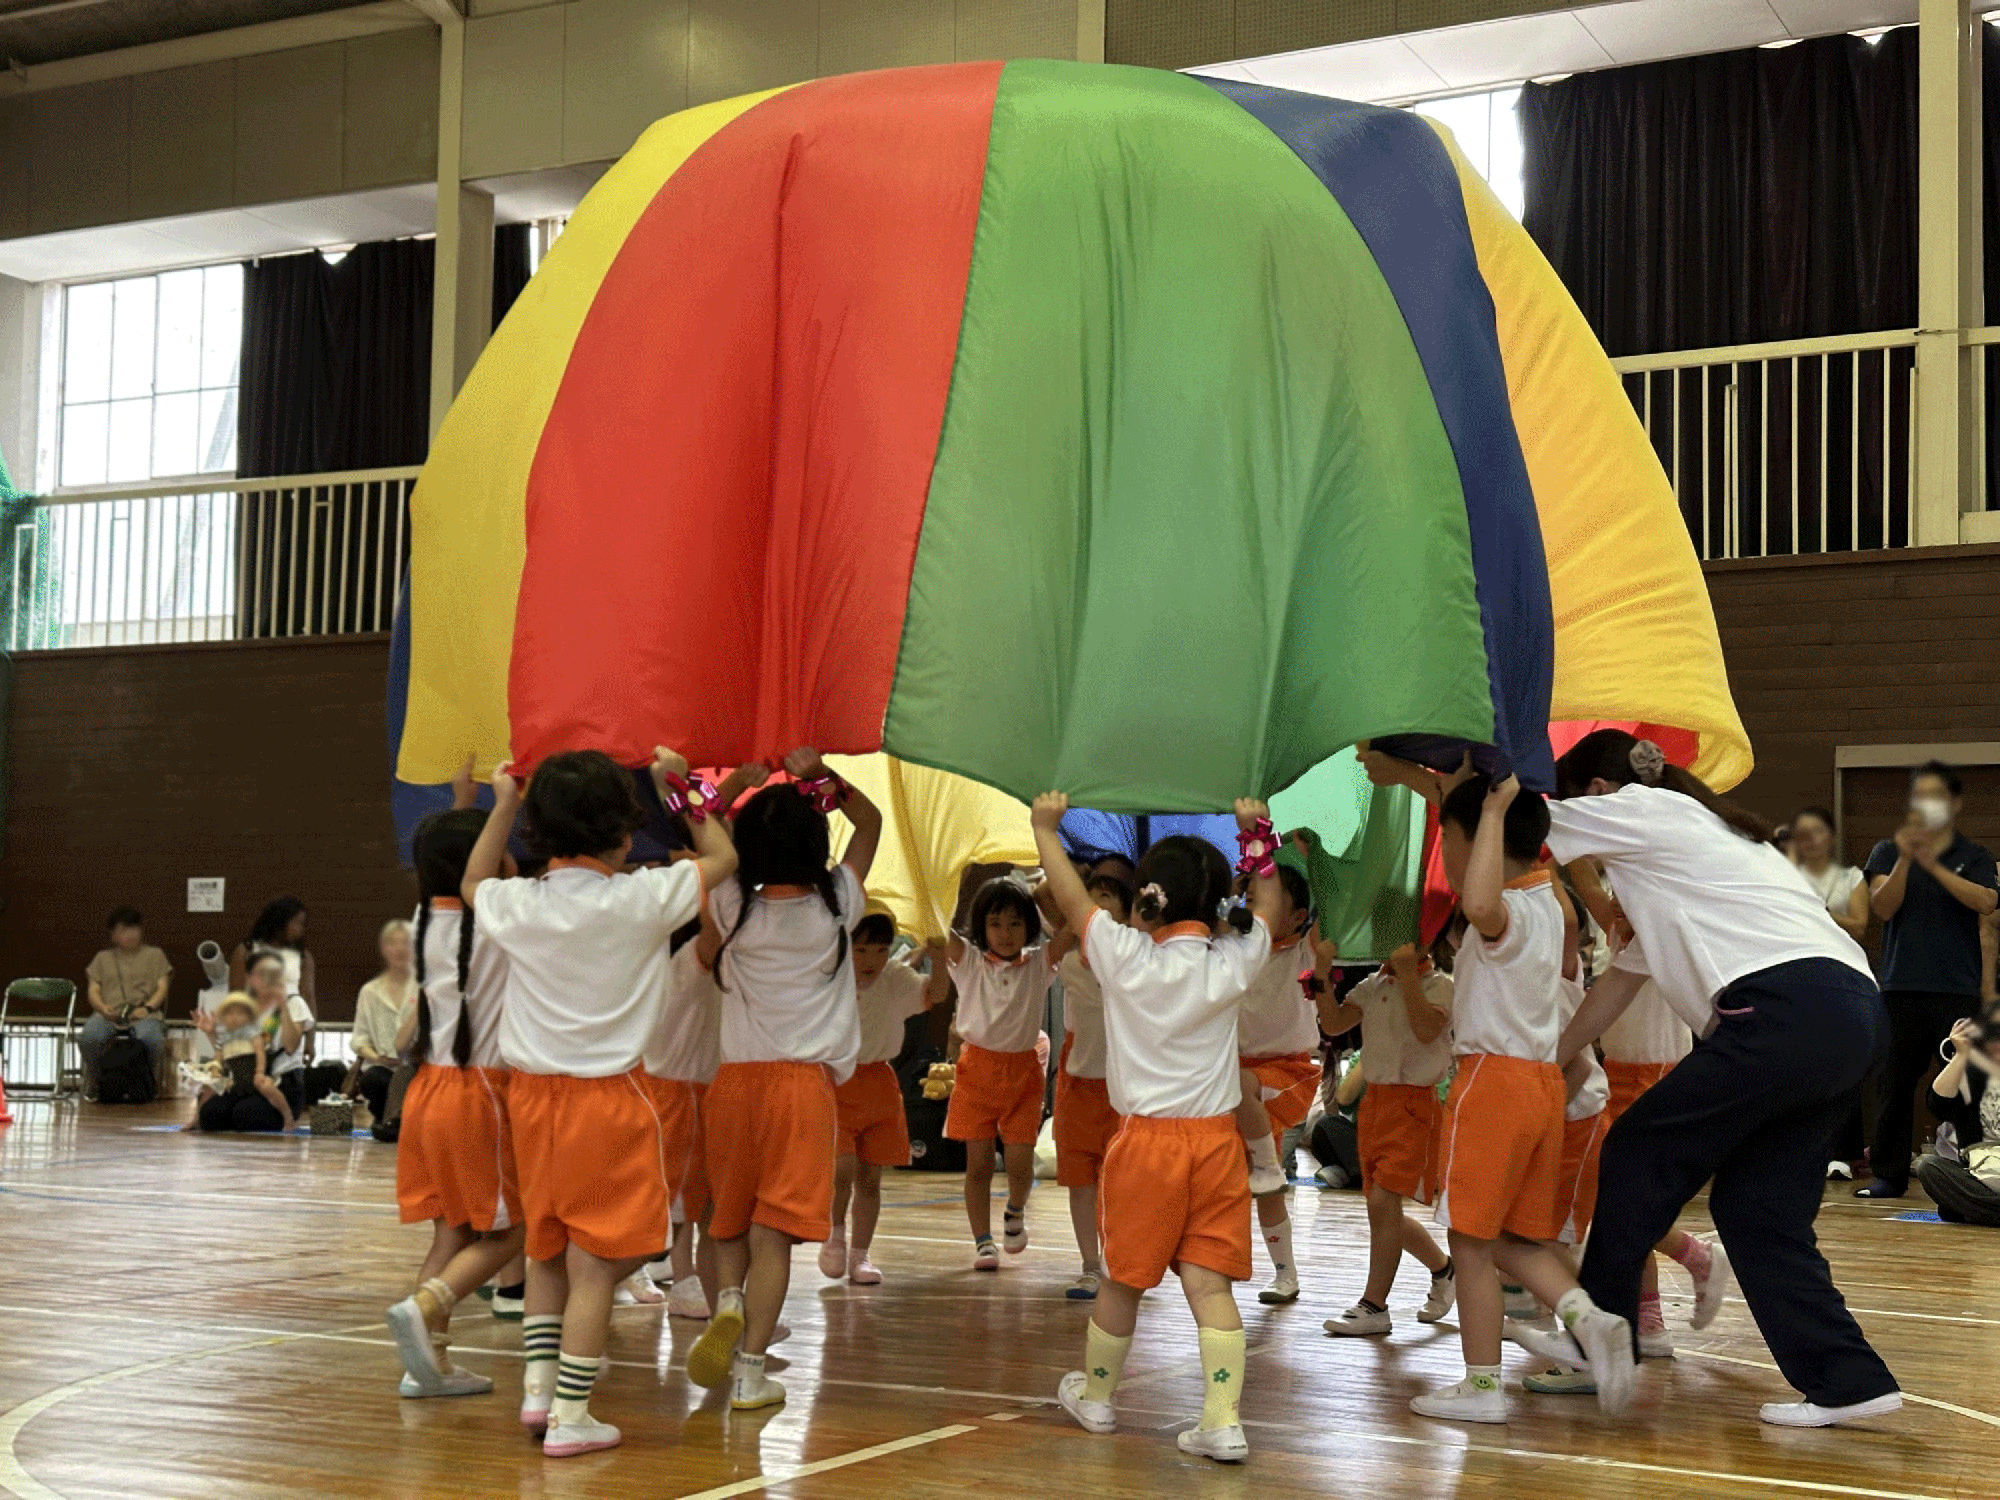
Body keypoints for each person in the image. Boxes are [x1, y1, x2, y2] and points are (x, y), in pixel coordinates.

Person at [1483, 727, 1901, 1428]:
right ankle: (1847, 1379)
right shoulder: (1700, 850)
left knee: (1636, 1148)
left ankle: (1601, 1333)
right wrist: (1546, 1062)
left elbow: (1529, 823)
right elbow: (1615, 988)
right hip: (1852, 1016)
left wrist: (1484, 783)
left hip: (1783, 1012)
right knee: (1757, 1209)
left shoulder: (1648, 814)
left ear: (1596, 790)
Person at [466, 746, 735, 1457]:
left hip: (531, 1103)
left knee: (548, 1249)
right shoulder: (642, 899)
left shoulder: (518, 903)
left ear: (538, 832)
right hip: (611, 1099)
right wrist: (675, 785)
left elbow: (472, 882)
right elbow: (724, 859)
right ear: (624, 833)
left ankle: (538, 1393)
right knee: (602, 1261)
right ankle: (572, 1416)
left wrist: (501, 804)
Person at [1034, 794, 1279, 1463]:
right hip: (1217, 1145)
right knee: (1210, 1286)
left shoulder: (1124, 956)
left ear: (1145, 905)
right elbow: (1268, 911)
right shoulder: (1233, 960)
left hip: (1146, 1145)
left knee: (1121, 1280)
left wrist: (1044, 830)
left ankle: (1098, 1399)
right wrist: (1258, 835)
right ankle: (1222, 1421)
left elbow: (1072, 900)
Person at [1404, 772, 1633, 1424]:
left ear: (1476, 841)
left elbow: (1478, 906)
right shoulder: (1550, 902)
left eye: (1446, 837)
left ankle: (1481, 1389)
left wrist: (1496, 805)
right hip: (1540, 1087)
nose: (1442, 852)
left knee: (1470, 1243)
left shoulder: (1506, 909)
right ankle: (1588, 1318)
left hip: (1494, 1084)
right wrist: (1466, 796)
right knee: (1520, 1239)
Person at [685, 749, 881, 1412]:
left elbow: (700, 822)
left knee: (727, 1221)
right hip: (803, 1090)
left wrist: (739, 777)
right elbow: (872, 821)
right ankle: (748, 1372)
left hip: (734, 1085)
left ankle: (729, 1298)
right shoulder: (836, 908)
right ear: (816, 844)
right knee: (775, 1235)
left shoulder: (731, 904)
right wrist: (818, 770)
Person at [383, 811, 526, 1400]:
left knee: (450, 1236)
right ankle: (429, 1302)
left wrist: (472, 804)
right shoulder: (498, 919)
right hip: (479, 1094)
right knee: (514, 1231)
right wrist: (506, 803)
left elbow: (450, 853)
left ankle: (428, 1368)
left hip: (429, 1091)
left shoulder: (423, 918)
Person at [1859, 763, 1998, 1198]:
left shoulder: (1972, 855)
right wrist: (1906, 858)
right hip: (1901, 987)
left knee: (1963, 1084)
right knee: (1893, 1081)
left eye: (1937, 795)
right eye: (1920, 795)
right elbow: (1882, 908)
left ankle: (1974, 1170)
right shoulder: (1886, 851)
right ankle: (1889, 1174)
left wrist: (1934, 867)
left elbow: (1987, 901)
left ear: (1954, 804)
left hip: (1956, 988)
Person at [1314, 937, 1456, 1337]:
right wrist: (1322, 976)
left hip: (1414, 1104)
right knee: (1382, 1210)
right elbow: (1334, 1023)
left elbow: (1428, 1030)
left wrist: (1409, 974)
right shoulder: (1372, 984)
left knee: (1383, 1201)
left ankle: (1374, 1304)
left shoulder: (1440, 985)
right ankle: (1444, 1269)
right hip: (1375, 1105)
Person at [933, 872, 1053, 1271]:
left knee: (1020, 1163)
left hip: (1022, 1073)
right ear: (981, 925)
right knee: (979, 1164)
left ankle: (1015, 1212)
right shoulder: (967, 960)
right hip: (976, 1072)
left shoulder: (1039, 963)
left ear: (1030, 926)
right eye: (996, 923)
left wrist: (1048, 882)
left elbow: (1073, 931)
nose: (1005, 933)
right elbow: (937, 927)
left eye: (1016, 923)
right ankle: (983, 1241)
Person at [817, 911, 932, 1286]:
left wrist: (941, 951)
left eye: (880, 950)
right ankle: (834, 1235)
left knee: (871, 1178)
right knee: (842, 1169)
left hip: (880, 1081)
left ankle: (860, 1255)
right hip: (837, 1077)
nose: (869, 960)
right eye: (860, 949)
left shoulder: (894, 978)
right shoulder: (829, 977)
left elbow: (936, 994)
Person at [1229, 861, 1323, 1306]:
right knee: (1236, 1181)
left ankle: (1269, 1166)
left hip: (1284, 1072)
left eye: (1267, 896)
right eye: (1250, 896)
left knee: (1264, 1177)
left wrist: (1314, 856)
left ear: (1298, 914)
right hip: (1238, 1081)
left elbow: (1329, 925)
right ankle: (1284, 1273)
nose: (1254, 902)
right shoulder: (1236, 946)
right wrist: (1235, 891)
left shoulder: (1304, 949)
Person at [1047, 873, 1133, 1299]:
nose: (1096, 904)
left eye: (1108, 896)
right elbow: (1042, 893)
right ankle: (1089, 1265)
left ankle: (1119, 1261)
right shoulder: (1068, 961)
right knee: (1080, 1179)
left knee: (1117, 1182)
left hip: (1124, 1089)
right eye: (1090, 897)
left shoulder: (1137, 961)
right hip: (1078, 1083)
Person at [194, 951, 307, 1130]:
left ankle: (287, 1118)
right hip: (246, 1080)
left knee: (246, 1115)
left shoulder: (294, 1002)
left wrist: (282, 1006)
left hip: (282, 1083)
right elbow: (236, 1047)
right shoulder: (246, 1008)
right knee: (210, 1115)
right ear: (249, 977)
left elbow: (291, 1046)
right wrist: (212, 1034)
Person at [1914, 1009, 2000, 1225]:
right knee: (1929, 1167)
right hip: (1982, 1176)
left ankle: (1975, 1210)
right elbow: (1937, 1105)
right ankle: (1980, 1209)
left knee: (1950, 1209)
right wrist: (1961, 1055)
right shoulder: (1972, 1074)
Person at [80, 906, 171, 1099]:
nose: (129, 934)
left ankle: (145, 1082)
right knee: (89, 1037)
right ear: (112, 935)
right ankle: (99, 1081)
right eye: (122, 930)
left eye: (133, 929)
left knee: (152, 1039)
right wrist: (102, 1008)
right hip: (109, 1014)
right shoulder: (102, 958)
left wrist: (147, 1008)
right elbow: (93, 990)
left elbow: (162, 987)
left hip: (145, 1014)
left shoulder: (155, 955)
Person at [352, 919, 417, 1122]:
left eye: (405, 942)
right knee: (374, 1079)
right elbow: (359, 1039)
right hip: (383, 1068)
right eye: (393, 943)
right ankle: (387, 1119)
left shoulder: (425, 987)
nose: (399, 949)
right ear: (383, 948)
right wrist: (377, 1058)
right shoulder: (369, 991)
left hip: (417, 1067)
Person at [208, 992, 294, 1130]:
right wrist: (215, 1073)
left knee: (266, 1086)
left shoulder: (254, 1033)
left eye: (239, 1013)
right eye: (230, 1014)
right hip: (236, 1082)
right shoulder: (223, 1038)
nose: (234, 1018)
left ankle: (287, 1116)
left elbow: (261, 1053)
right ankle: (196, 1119)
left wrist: (259, 1072)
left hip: (255, 1077)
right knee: (208, 1089)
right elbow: (218, 1059)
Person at [230, 897, 316, 1019]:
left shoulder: (304, 957)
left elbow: (308, 996)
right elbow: (236, 996)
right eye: (297, 923)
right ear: (281, 921)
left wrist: (310, 1036)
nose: (301, 929)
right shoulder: (246, 951)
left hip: (291, 1025)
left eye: (302, 924)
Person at [1791, 808, 1868, 943]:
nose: (1810, 839)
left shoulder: (1852, 877)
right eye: (1803, 833)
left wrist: (1822, 912)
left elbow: (1859, 929)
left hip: (1841, 956)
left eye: (1817, 831)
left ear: (1832, 837)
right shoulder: (1788, 877)